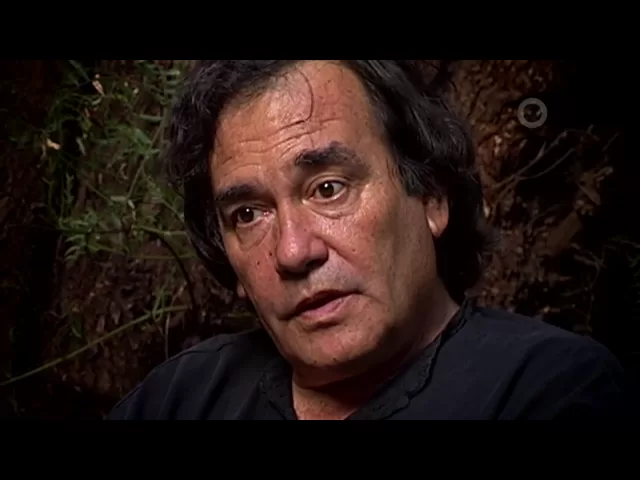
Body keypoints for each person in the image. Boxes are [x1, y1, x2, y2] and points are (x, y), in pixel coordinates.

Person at [108, 60, 635, 420]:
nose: (293, 251)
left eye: (328, 188)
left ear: (430, 195)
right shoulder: (181, 398)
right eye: (248, 214)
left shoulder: (549, 389)